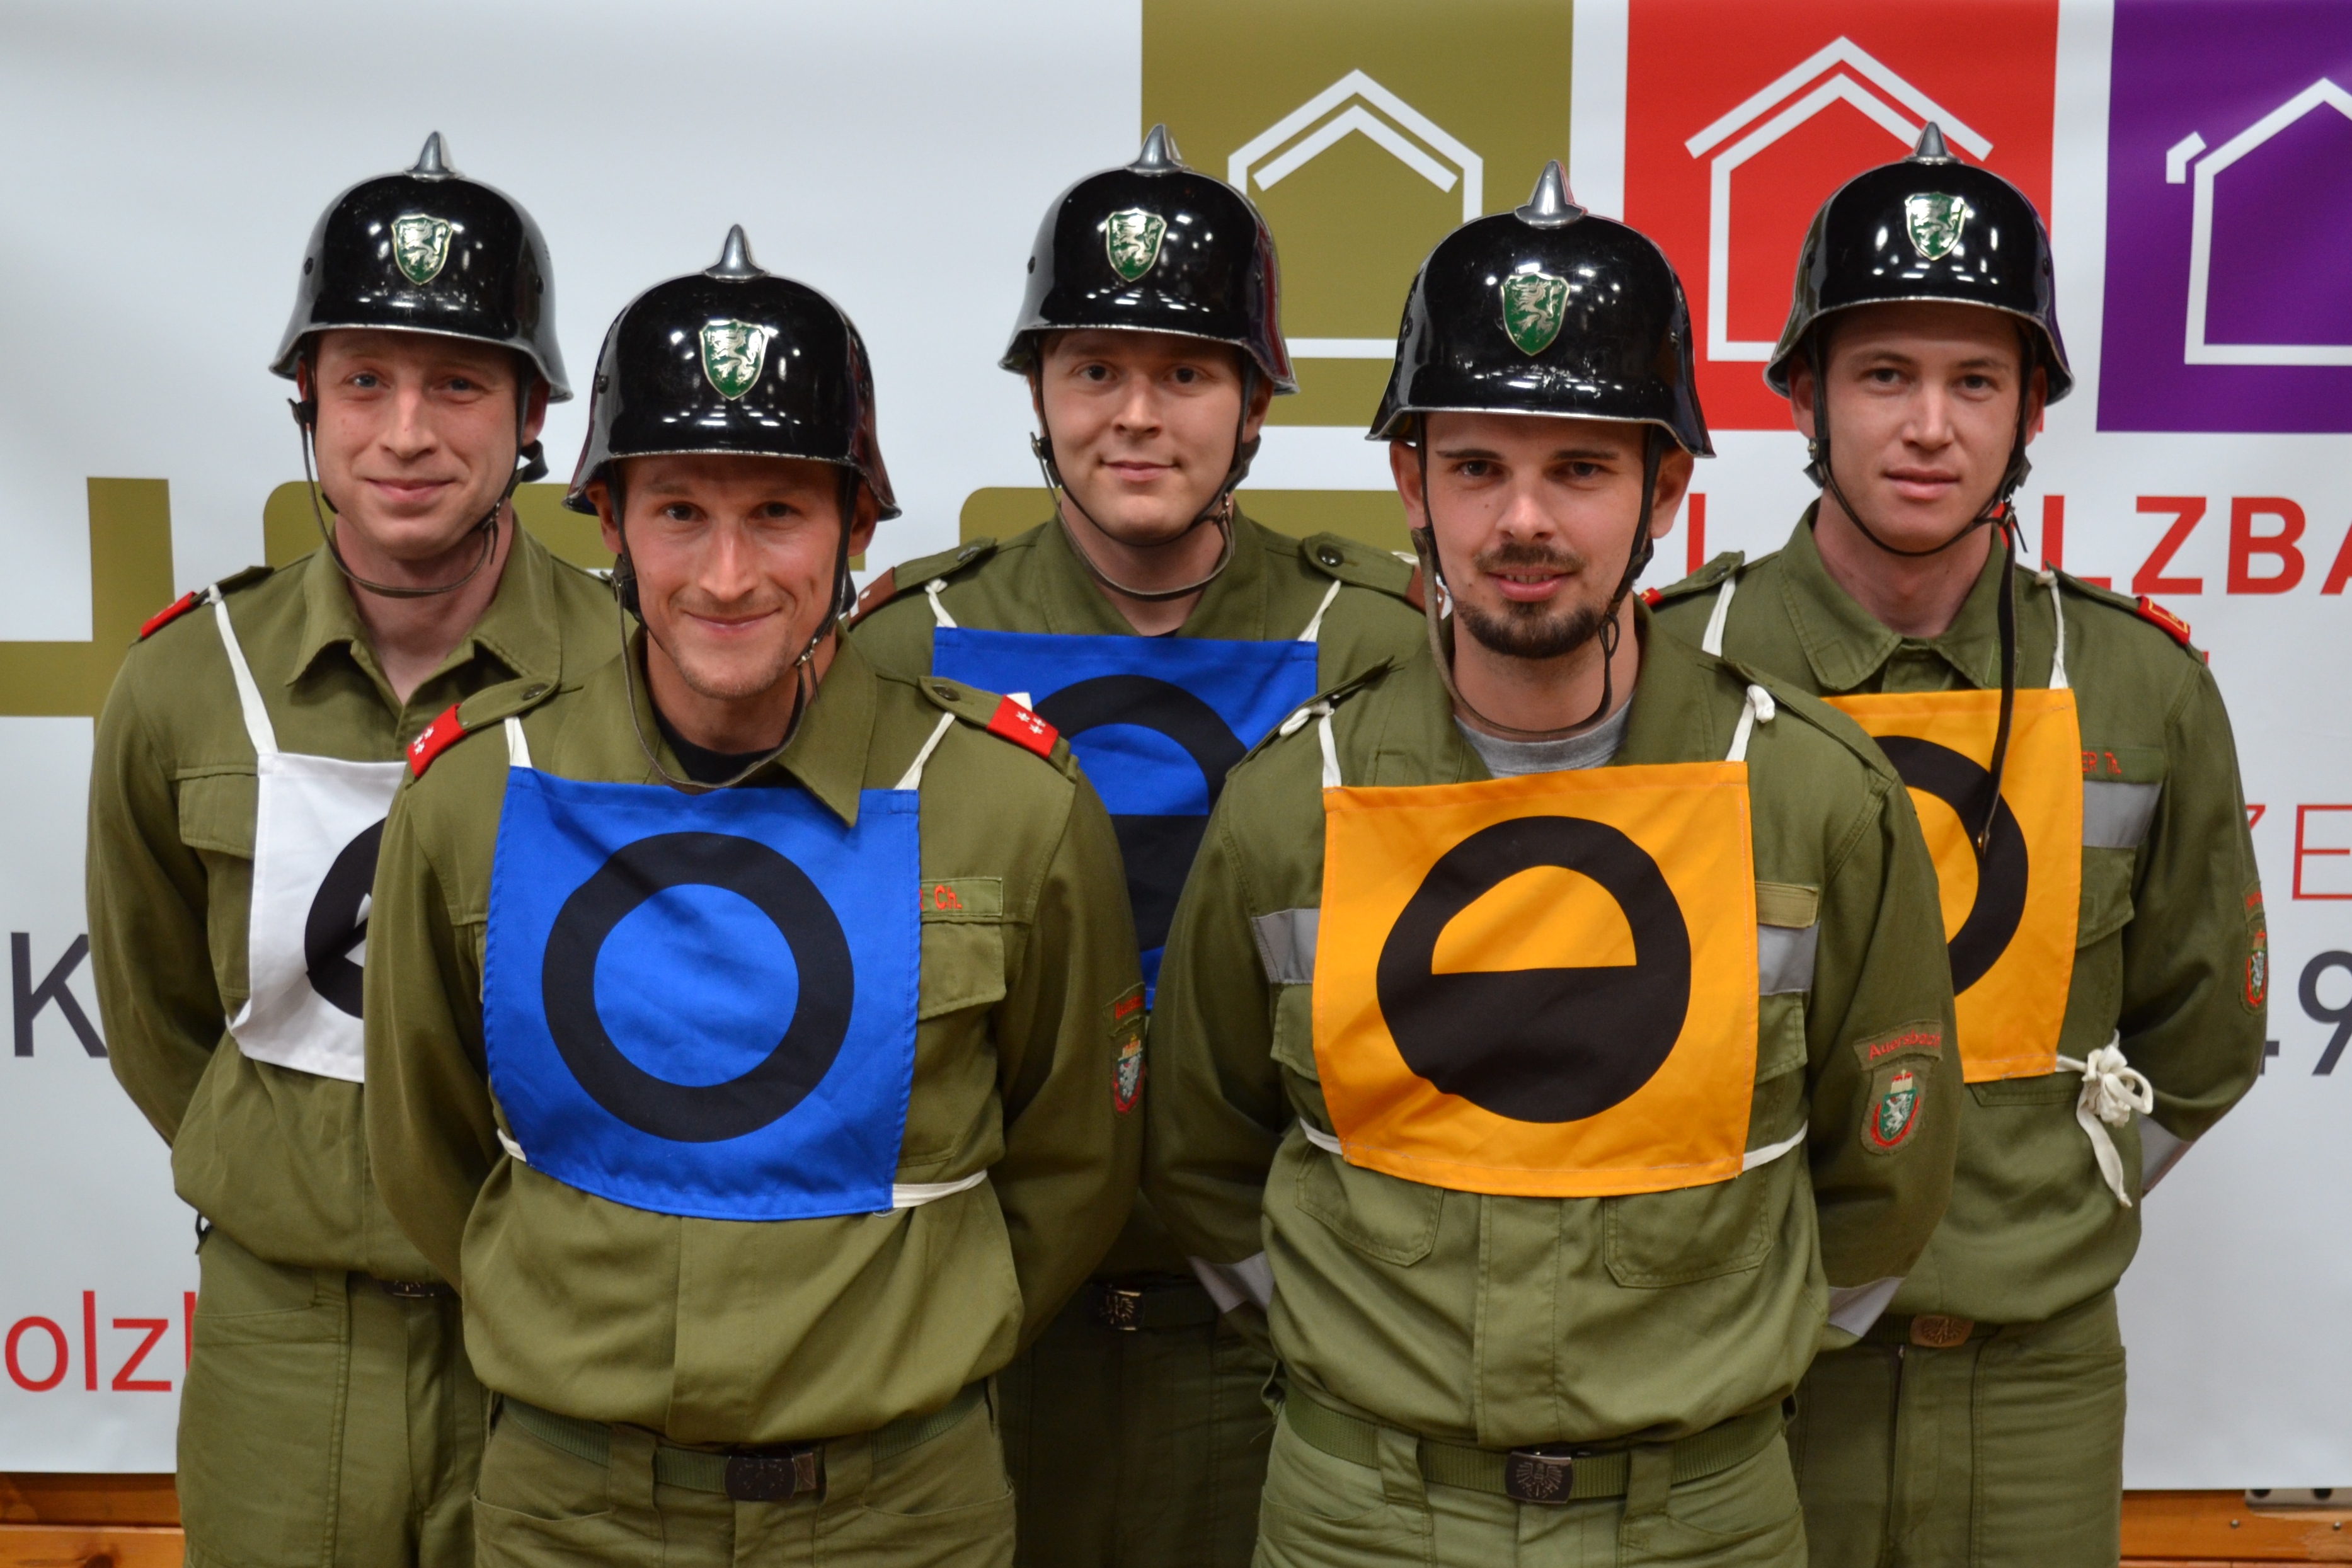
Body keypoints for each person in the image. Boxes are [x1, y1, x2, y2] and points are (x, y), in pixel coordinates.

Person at [1142, 163, 1964, 1568]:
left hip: (1700, 1525)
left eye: (1579, 468)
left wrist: (1715, 1362)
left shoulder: (1814, 798)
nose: (1523, 521)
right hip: (1360, 1520)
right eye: (1476, 467)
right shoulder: (1292, 801)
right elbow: (1204, 1149)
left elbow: (1885, 1174)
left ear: (1665, 486)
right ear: (1410, 481)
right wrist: (1368, 1353)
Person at [362, 227, 1141, 1568]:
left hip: (902, 1514)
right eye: (679, 512)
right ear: (610, 523)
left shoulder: (1008, 802)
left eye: (778, 512)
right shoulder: (479, 792)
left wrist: (914, 1332)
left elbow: (1073, 1166)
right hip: (570, 1512)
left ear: (856, 527)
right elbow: (426, 1153)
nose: (727, 577)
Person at [1648, 125, 2266, 1568]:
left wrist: (2043, 1207)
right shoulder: (1675, 672)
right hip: (1742, 1370)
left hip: (2034, 1383)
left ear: (2029, 407)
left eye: (1975, 380)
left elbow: (2205, 1040)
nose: (1928, 426)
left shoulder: (2138, 685)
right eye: (1883, 375)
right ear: (1801, 392)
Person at [850, 125, 1425, 1568]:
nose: (1136, 417)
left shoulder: (1378, 641)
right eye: (1094, 369)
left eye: (1186, 373)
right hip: (981, 1334)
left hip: (1282, 1336)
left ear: (1255, 403)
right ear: (1038, 395)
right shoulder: (907, 643)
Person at [86, 133, 609, 1568]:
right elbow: (157, 1020)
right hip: (285, 1341)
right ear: (306, 403)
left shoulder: (635, 673)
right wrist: (297, 1174)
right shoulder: (184, 682)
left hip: (563, 1329)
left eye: (459, 384)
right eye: (364, 380)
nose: (406, 434)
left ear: (533, 415)